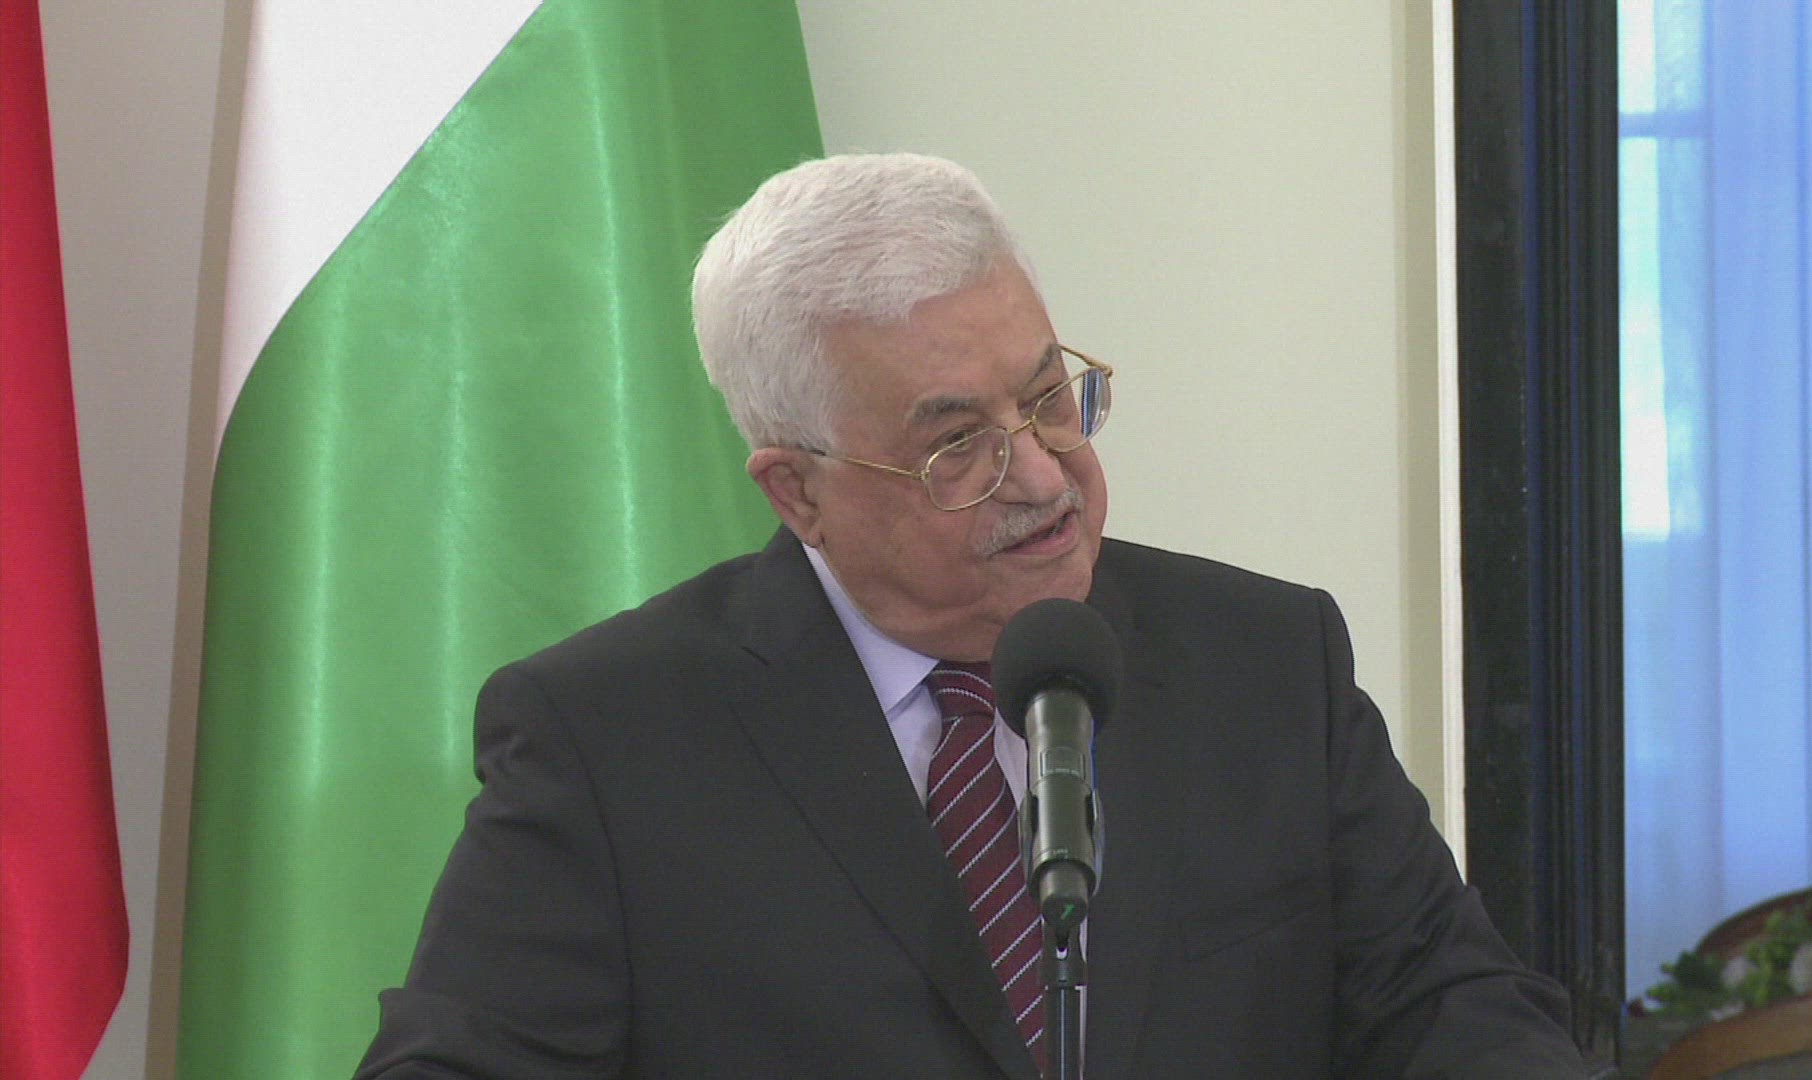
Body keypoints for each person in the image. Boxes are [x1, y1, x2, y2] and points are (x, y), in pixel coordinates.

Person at [356, 153, 1586, 1078]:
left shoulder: (1265, 662)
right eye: (956, 446)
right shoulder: (610, 740)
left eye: (1050, 397)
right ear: (798, 491)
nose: (1046, 476)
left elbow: (1450, 1006)